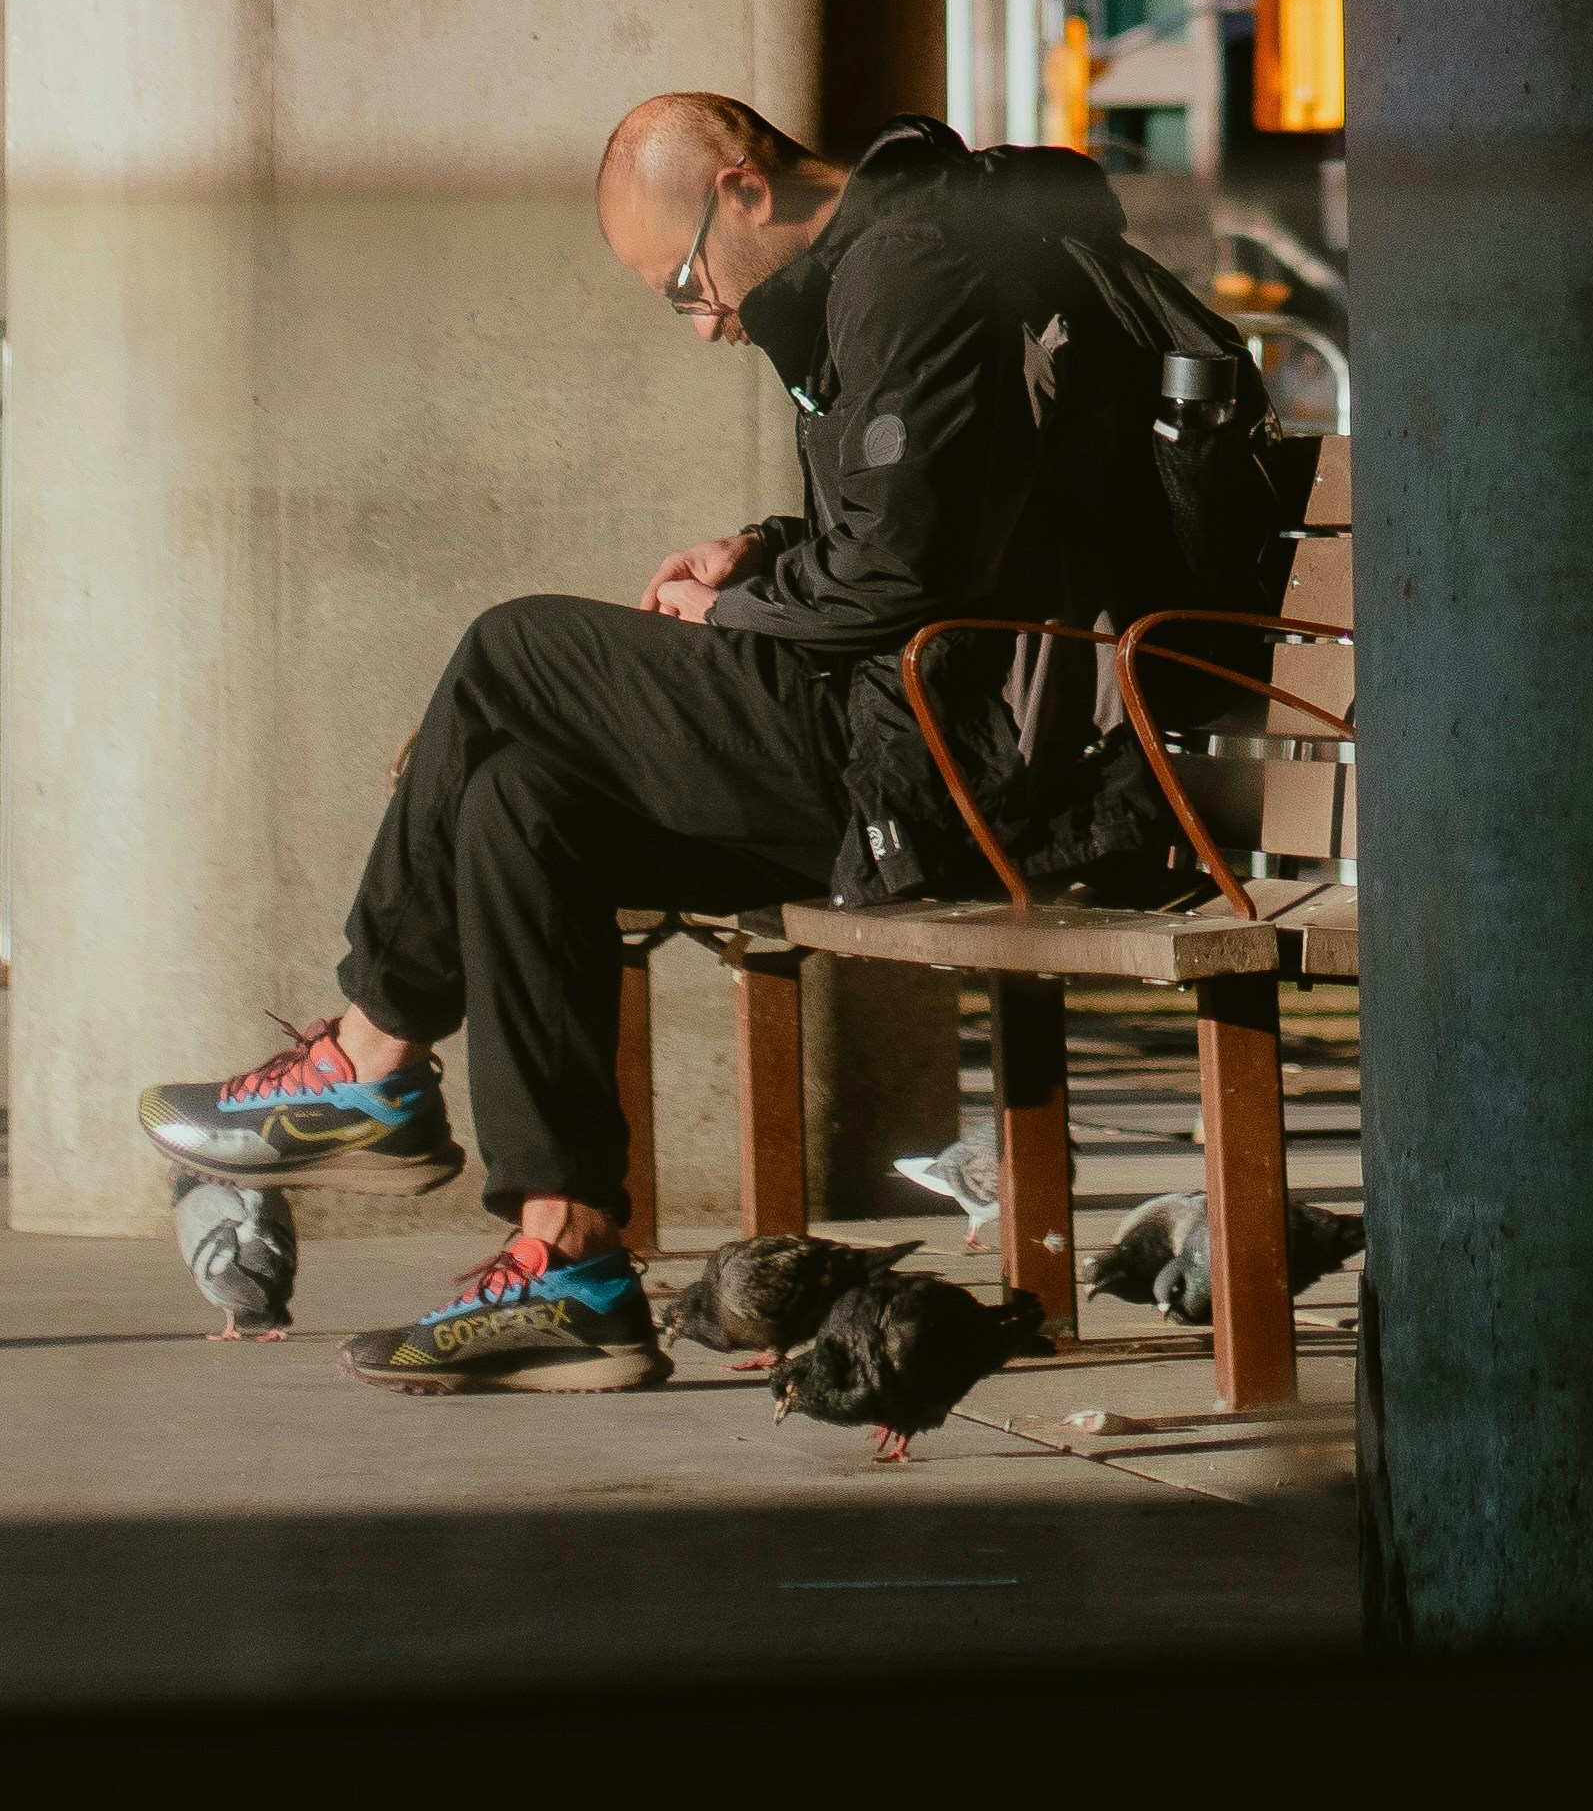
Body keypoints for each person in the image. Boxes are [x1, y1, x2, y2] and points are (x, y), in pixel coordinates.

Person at [138, 91, 1240, 1394]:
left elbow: (900, 583)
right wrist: (765, 551)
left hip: (944, 772)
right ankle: (572, 1270)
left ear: (742, 194)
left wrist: (734, 607)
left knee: (516, 649)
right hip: (914, 730)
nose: (702, 317)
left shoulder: (912, 268)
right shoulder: (890, 262)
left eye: (682, 282)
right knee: (517, 801)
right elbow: (937, 527)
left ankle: (369, 1061)